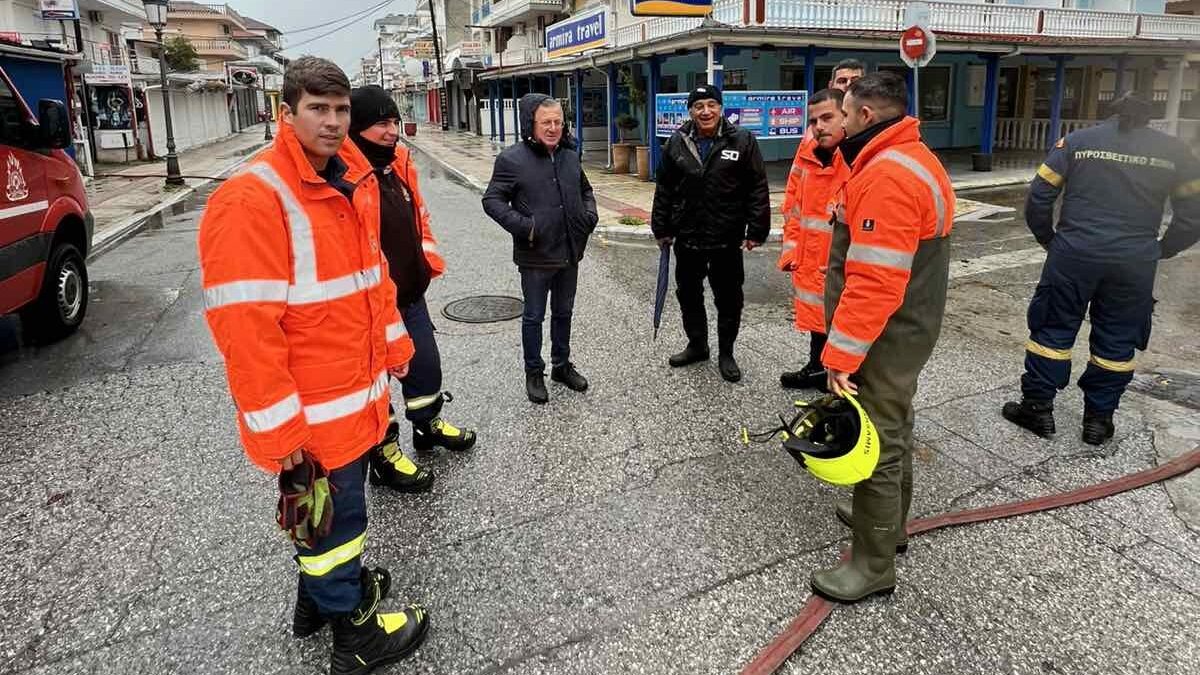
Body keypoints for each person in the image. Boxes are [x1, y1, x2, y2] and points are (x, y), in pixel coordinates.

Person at [198, 57, 429, 673]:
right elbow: (245, 331)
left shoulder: (347, 181)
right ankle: (354, 636)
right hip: (312, 413)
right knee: (338, 522)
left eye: (341, 109)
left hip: (354, 395)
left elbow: (369, 279)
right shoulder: (253, 198)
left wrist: (396, 346)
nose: (332, 123)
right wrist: (281, 434)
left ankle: (315, 604)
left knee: (324, 515)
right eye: (317, 109)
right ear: (286, 113)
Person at [813, 71, 954, 604]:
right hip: (905, 326)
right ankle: (888, 523)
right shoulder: (912, 156)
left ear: (866, 117)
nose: (840, 123)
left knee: (876, 438)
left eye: (844, 115)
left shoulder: (888, 176)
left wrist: (841, 355)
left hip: (884, 333)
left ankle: (873, 563)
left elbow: (874, 279)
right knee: (894, 422)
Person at [1002, 92, 1200, 445]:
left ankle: (1037, 408)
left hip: (1074, 254)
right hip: (1134, 260)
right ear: (1149, 118)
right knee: (1118, 337)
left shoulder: (1077, 143)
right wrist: (1160, 250)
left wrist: (1051, 240)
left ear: (1111, 113)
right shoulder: (1175, 153)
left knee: (1053, 329)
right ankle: (1098, 420)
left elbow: (1039, 197)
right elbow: (1192, 216)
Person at [347, 85, 477, 491]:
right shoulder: (346, 176)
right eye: (381, 123)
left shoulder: (397, 164)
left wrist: (423, 265)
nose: (392, 131)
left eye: (393, 121)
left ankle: (427, 425)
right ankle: (384, 453)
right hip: (367, 307)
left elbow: (417, 219)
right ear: (357, 129)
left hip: (409, 296)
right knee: (376, 383)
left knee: (424, 366)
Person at [482, 93, 598, 404]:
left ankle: (561, 365)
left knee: (564, 312)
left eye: (558, 122)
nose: (553, 128)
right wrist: (527, 227)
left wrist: (589, 217)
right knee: (534, 316)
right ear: (530, 124)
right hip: (536, 255)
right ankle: (534, 371)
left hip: (570, 250)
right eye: (546, 122)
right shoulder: (511, 159)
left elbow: (586, 190)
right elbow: (492, 201)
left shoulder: (570, 155)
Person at [651, 85, 771, 382]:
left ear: (720, 108)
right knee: (688, 295)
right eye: (698, 106)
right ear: (690, 111)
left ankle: (726, 352)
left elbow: (757, 186)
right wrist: (661, 227)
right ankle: (697, 345)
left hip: (726, 236)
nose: (705, 111)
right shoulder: (676, 142)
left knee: (729, 298)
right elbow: (664, 188)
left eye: (711, 105)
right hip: (688, 235)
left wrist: (757, 228)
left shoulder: (742, 140)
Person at [778, 88, 849, 390]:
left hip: (841, 262)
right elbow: (795, 208)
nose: (820, 126)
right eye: (814, 120)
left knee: (844, 324)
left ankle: (838, 380)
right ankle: (817, 368)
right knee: (818, 320)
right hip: (811, 256)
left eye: (827, 118)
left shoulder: (857, 158)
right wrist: (791, 251)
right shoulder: (809, 152)